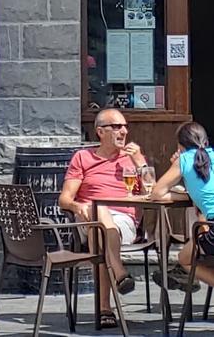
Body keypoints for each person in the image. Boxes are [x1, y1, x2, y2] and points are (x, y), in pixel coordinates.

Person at [150, 122, 214, 334]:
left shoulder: (183, 160)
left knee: (186, 258)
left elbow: (157, 192)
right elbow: (209, 190)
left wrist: (179, 171)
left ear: (180, 146)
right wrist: (189, 190)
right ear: (206, 142)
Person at [58, 108, 146, 328]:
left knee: (100, 235)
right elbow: (65, 200)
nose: (123, 131)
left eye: (125, 126)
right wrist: (79, 207)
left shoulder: (132, 159)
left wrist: (140, 162)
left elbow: (152, 192)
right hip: (89, 218)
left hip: (123, 221)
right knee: (99, 209)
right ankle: (118, 271)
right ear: (100, 131)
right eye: (116, 126)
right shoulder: (83, 157)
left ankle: (105, 308)